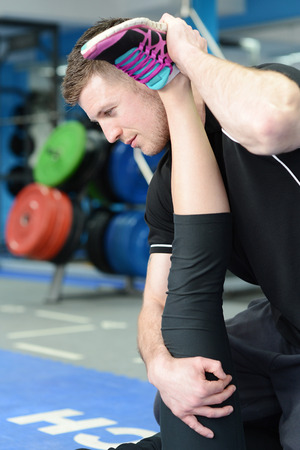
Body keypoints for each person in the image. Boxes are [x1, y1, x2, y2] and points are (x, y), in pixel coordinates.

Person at [62, 13, 300, 450]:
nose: (110, 135)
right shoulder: (169, 187)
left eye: (109, 112)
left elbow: (272, 122)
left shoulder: (258, 94)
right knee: (185, 400)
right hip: (284, 324)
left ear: (146, 74)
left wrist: (187, 58)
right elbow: (156, 299)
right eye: (98, 123)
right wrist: (160, 367)